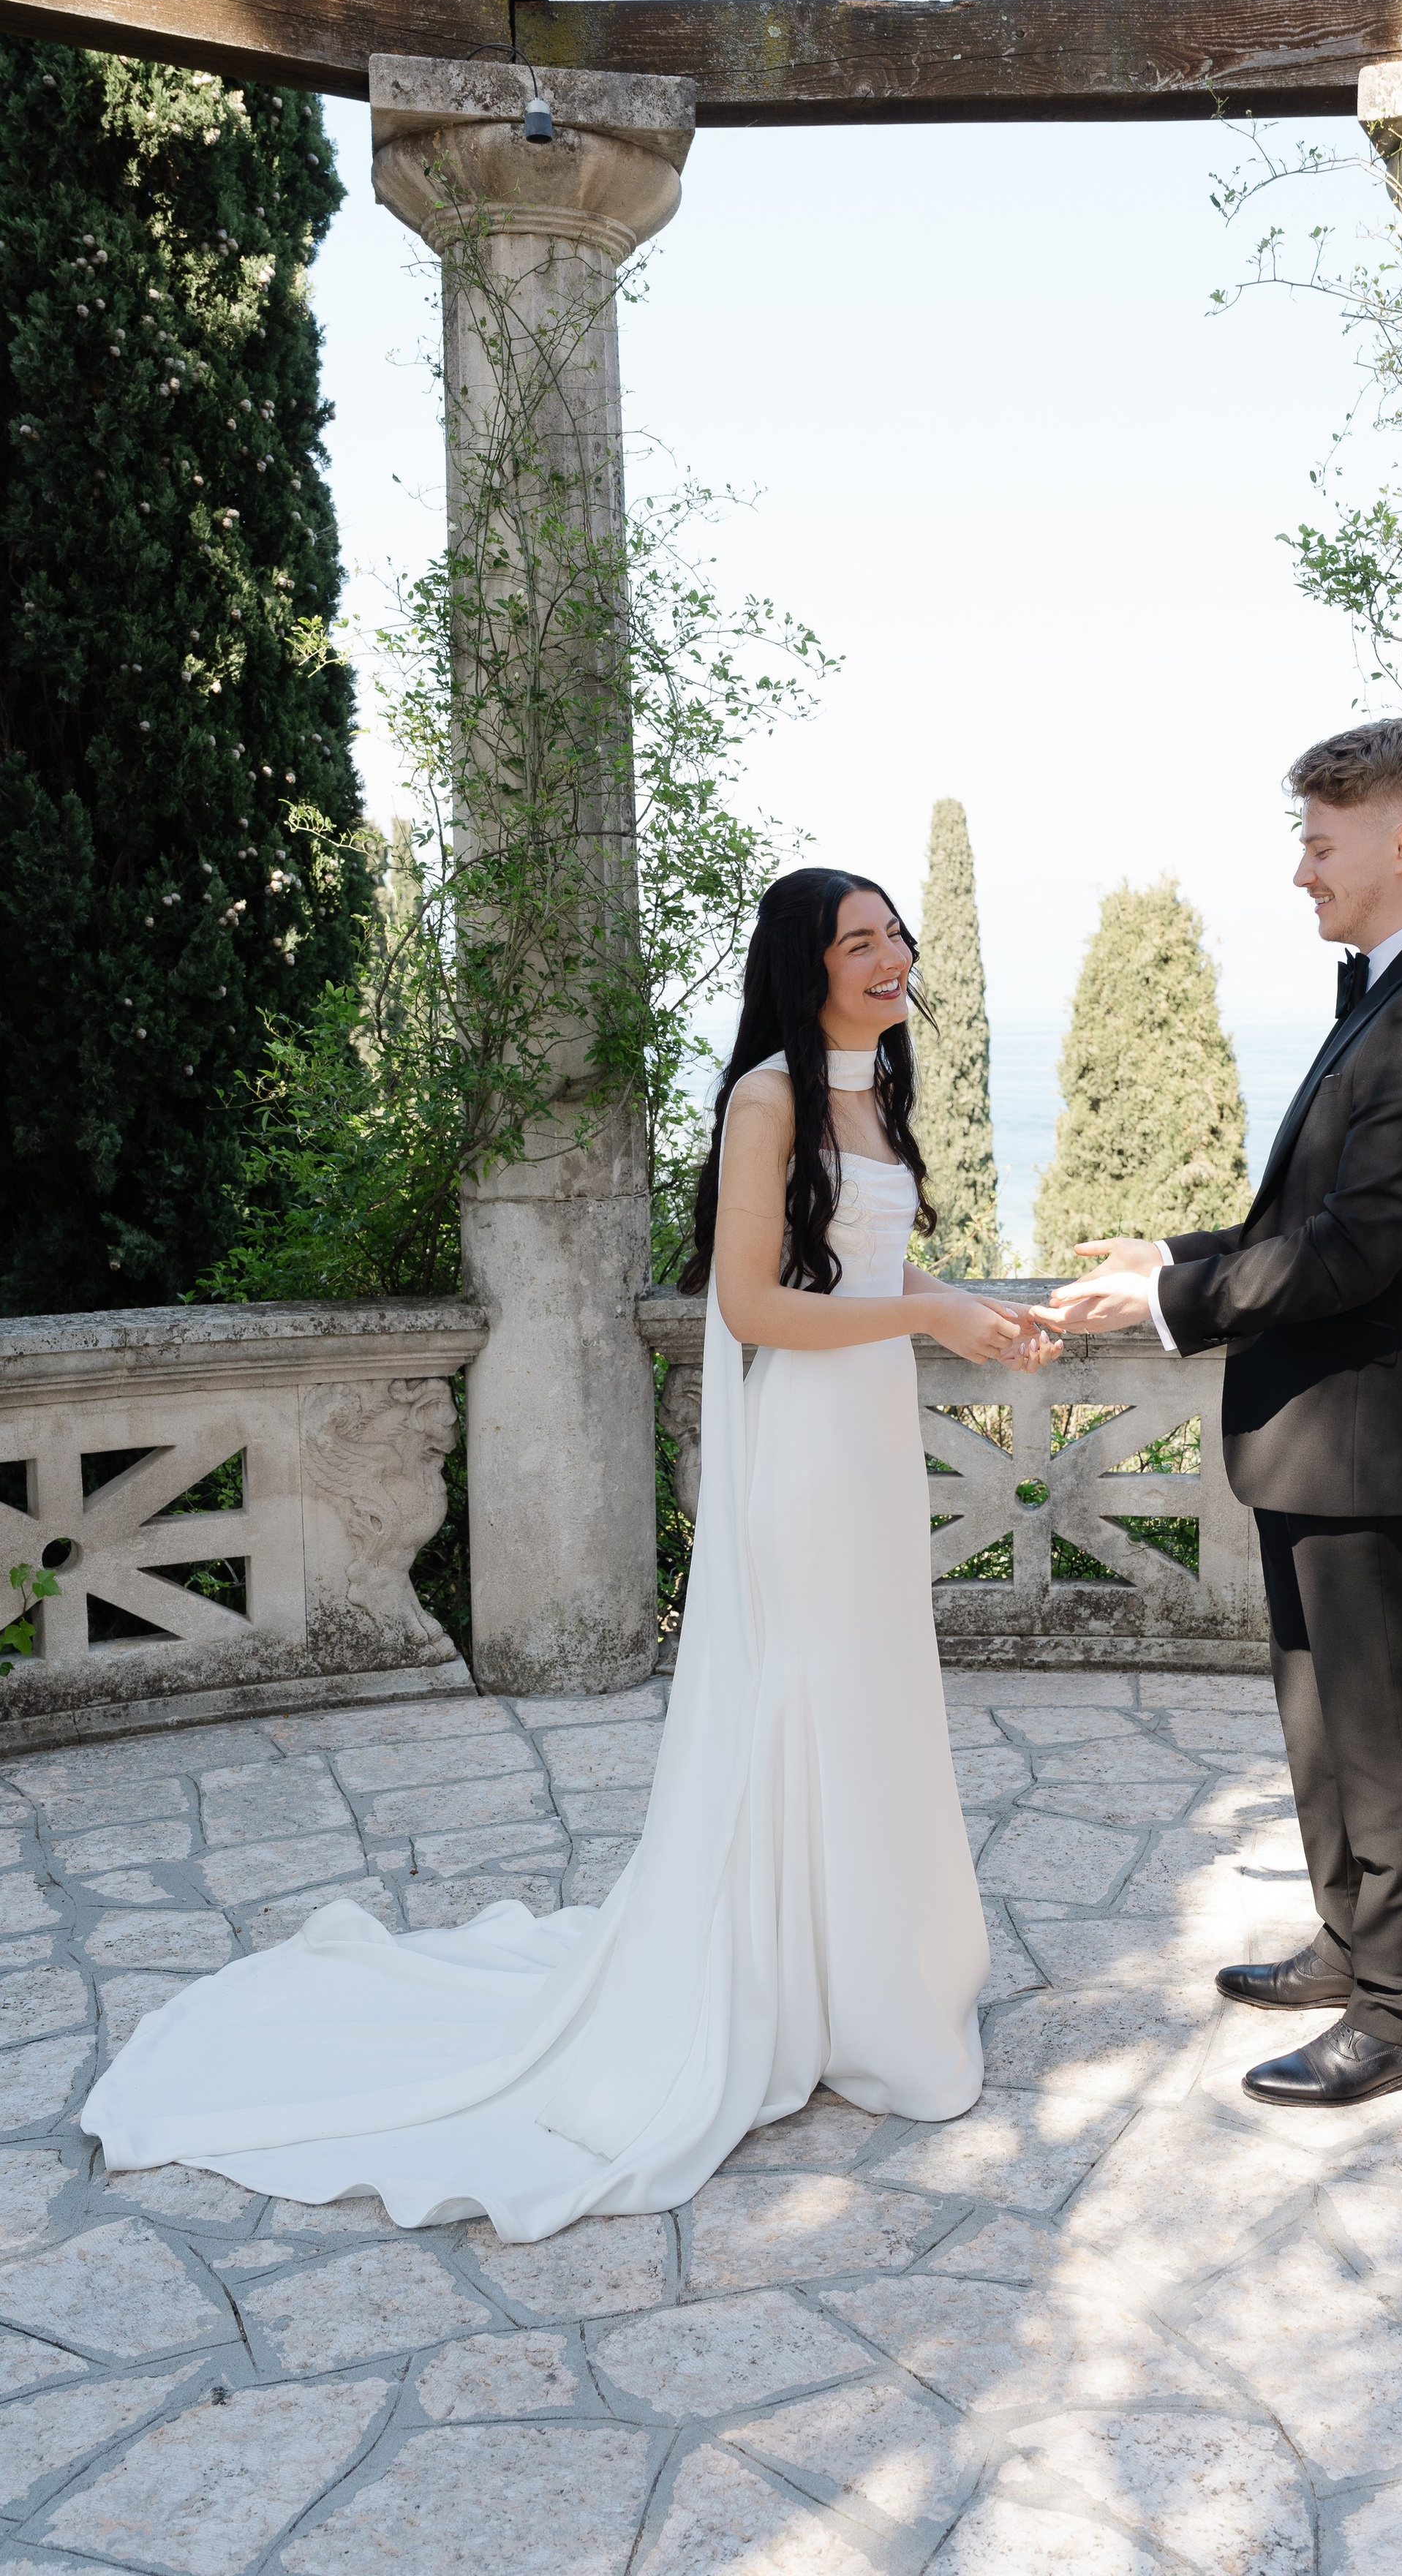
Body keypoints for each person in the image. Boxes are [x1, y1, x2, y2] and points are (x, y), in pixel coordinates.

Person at [83, 867, 1057, 2240]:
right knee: (806, 1704)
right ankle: (781, 1992)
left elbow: (875, 1274)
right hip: (806, 1459)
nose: (893, 954)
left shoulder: (873, 1090)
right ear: (804, 965)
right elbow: (755, 1306)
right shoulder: (770, 1097)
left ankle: (868, 1983)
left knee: (875, 1700)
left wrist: (975, 1313)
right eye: (861, 939)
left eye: (897, 931)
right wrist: (928, 1326)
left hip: (872, 1451)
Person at [1046, 721, 1402, 2108]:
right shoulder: (1385, 990)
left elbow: (1356, 1251)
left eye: (1321, 840)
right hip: (1324, 1426)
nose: (1303, 869)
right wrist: (1175, 1259)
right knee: (1321, 1716)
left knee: (1383, 1730)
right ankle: (1352, 1948)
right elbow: (1308, 1218)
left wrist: (1169, 1308)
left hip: (1373, 1432)